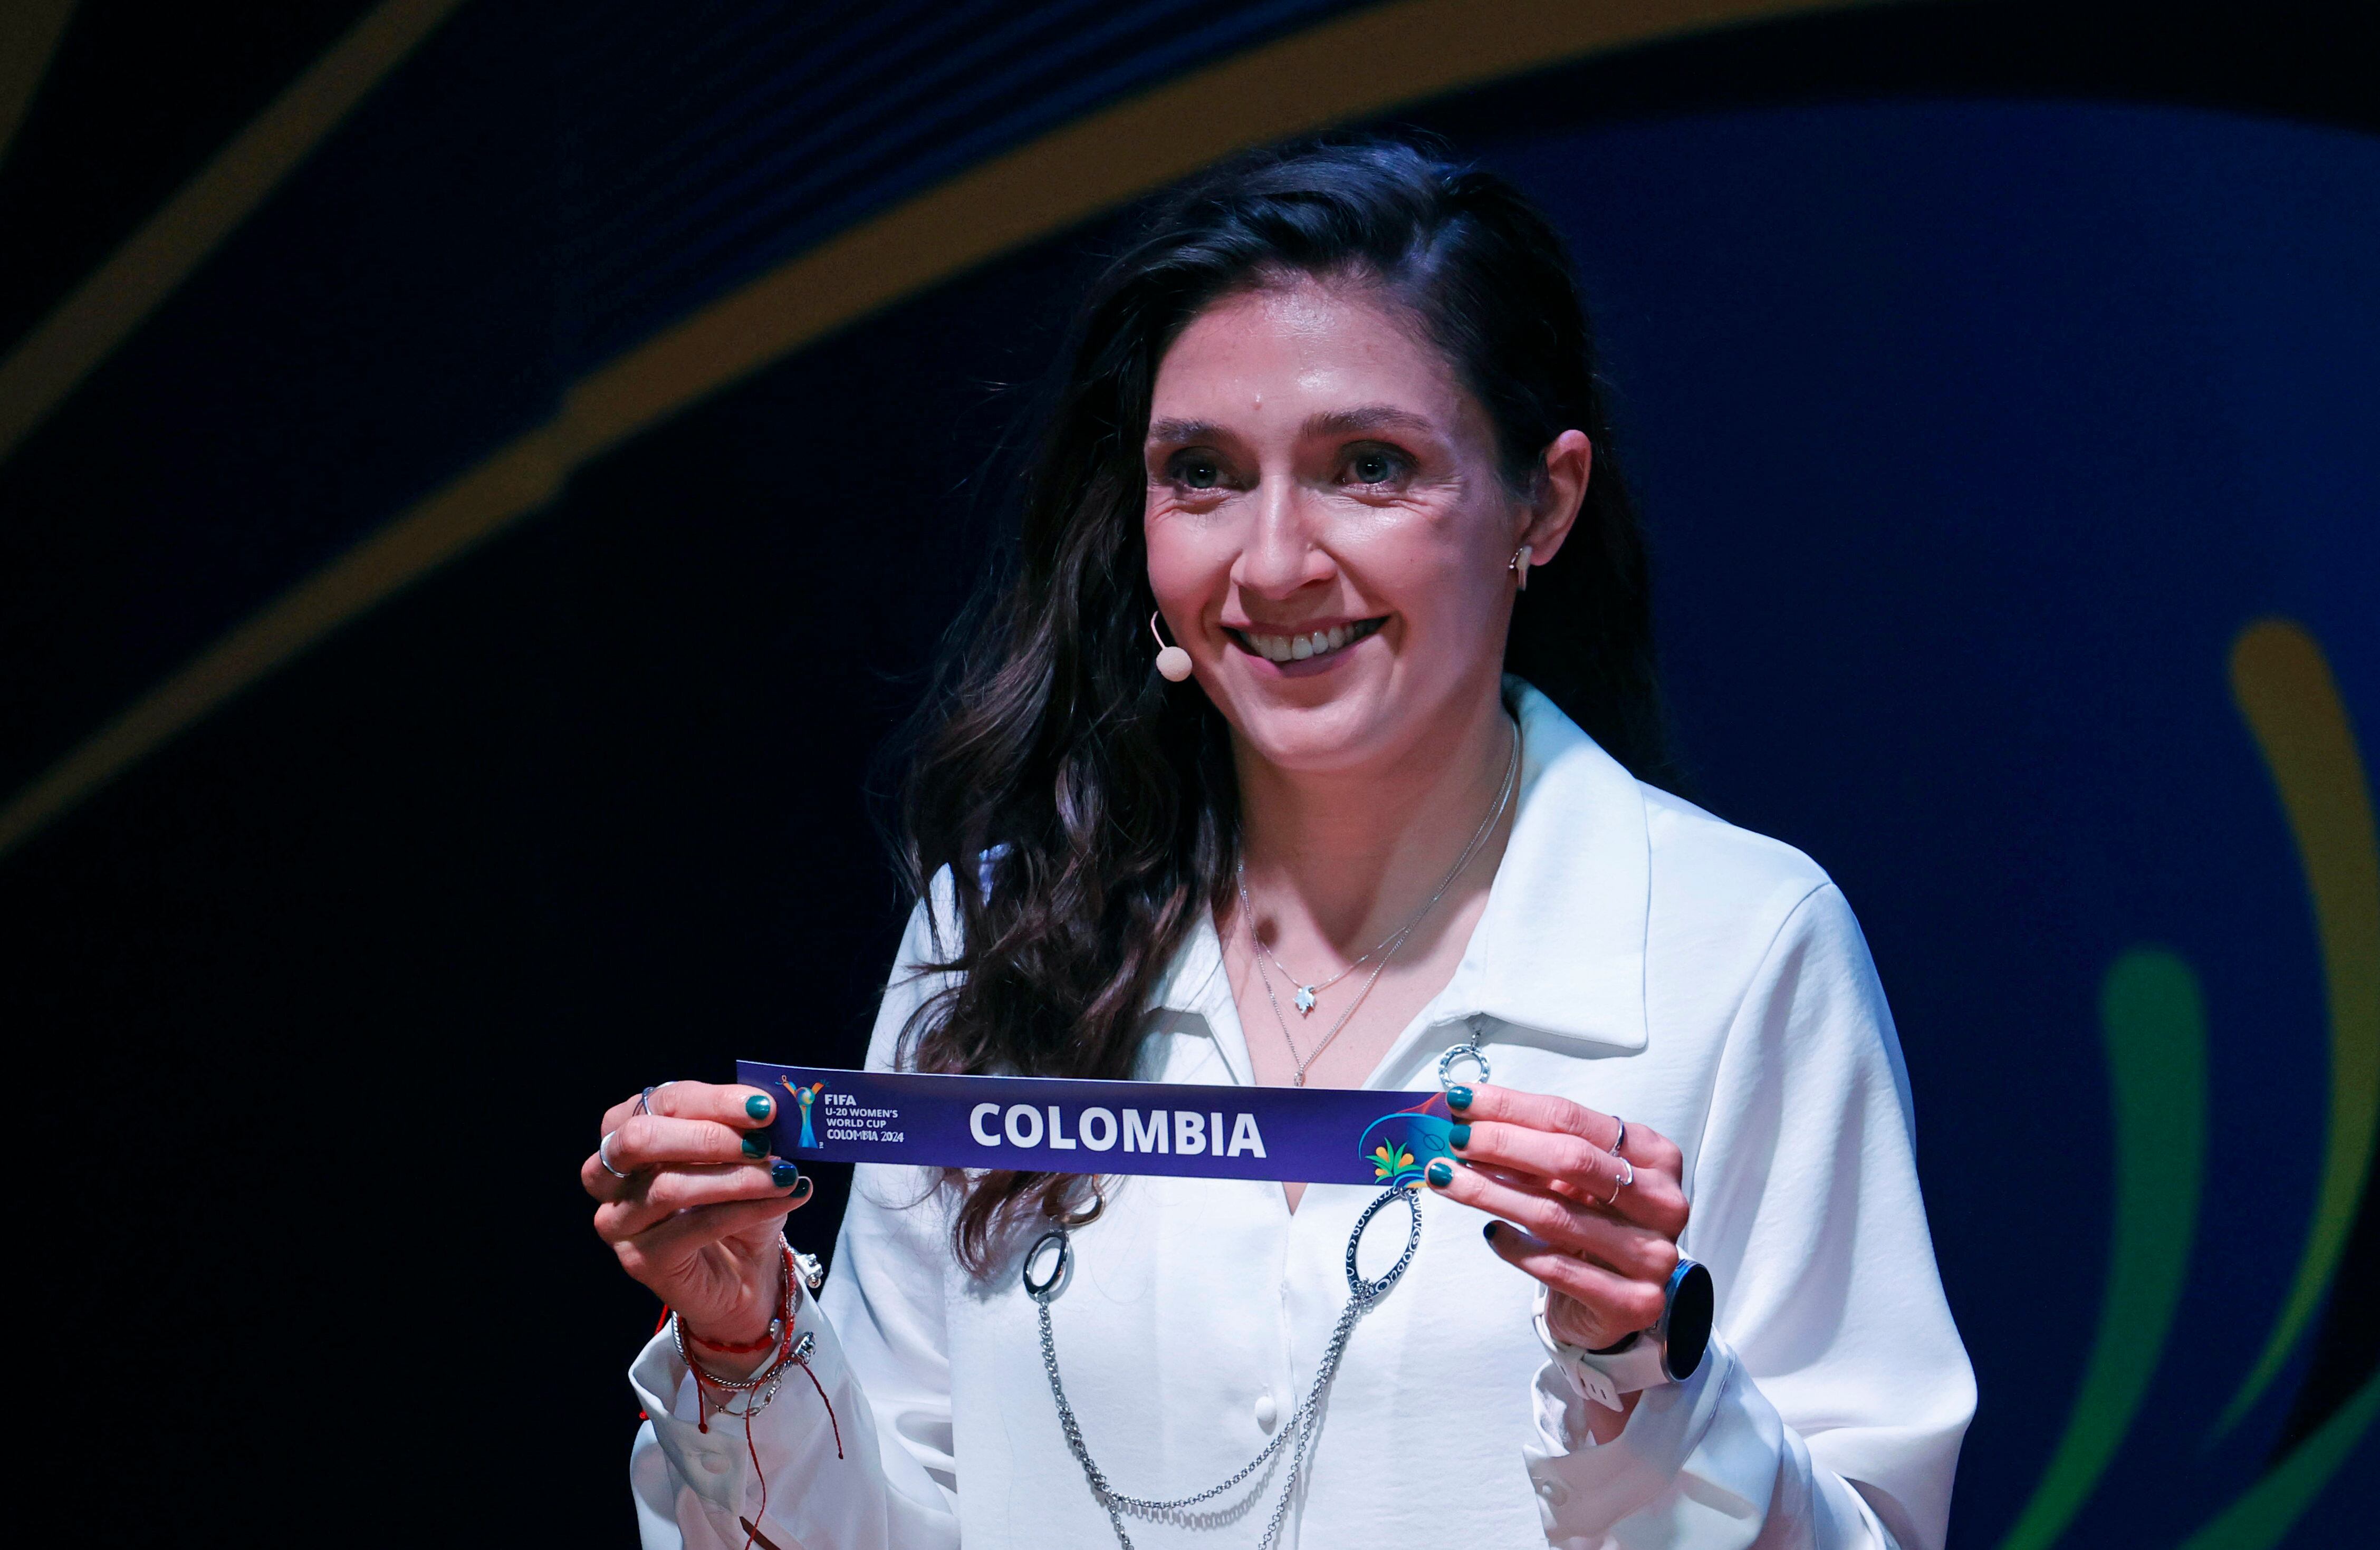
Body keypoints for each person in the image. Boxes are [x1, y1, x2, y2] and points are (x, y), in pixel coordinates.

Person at [582, 134, 1975, 1549]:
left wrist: (1643, 1377)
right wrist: (745, 1349)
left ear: (1541, 504)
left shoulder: (1738, 949)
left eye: (1367, 467)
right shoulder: (996, 934)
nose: (1271, 563)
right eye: (1202, 473)